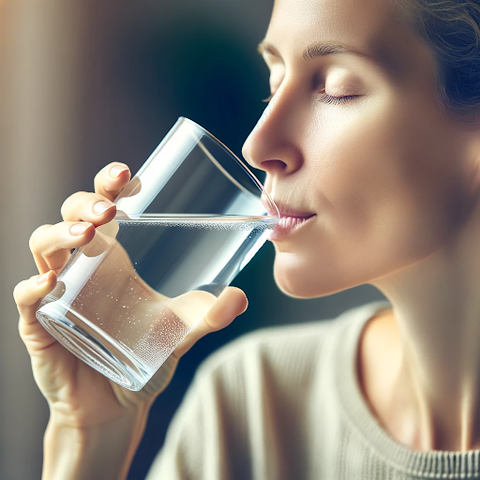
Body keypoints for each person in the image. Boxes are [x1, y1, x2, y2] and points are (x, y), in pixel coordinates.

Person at [13, 0, 480, 477]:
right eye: (273, 85)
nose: (257, 145)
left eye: (336, 89)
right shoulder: (252, 401)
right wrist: (87, 434)